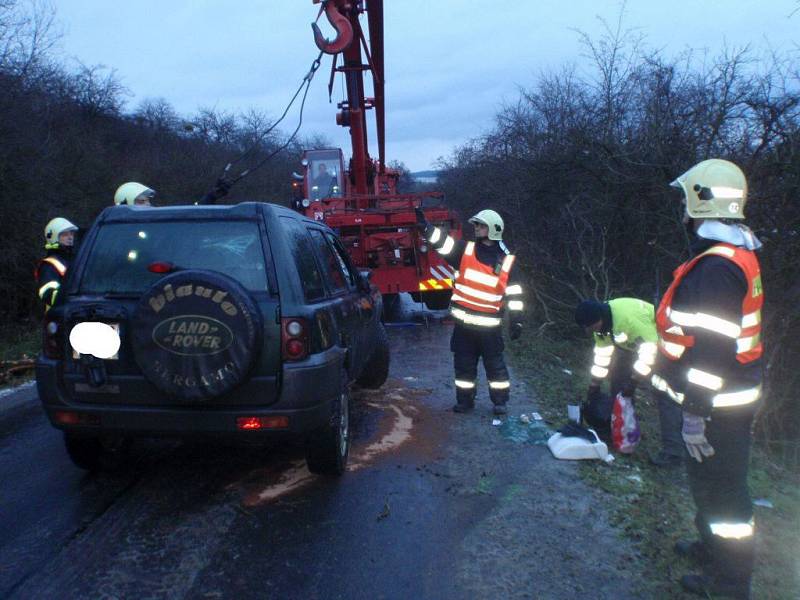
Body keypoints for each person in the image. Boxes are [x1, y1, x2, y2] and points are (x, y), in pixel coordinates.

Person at [652, 159, 763, 598]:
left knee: (725, 494)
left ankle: (731, 581)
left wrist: (696, 409)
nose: (681, 206)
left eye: (686, 198)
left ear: (701, 200)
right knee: (708, 483)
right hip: (724, 397)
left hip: (719, 403)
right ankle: (709, 547)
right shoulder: (731, 254)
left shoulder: (717, 267)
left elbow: (714, 352)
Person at [416, 206, 524, 415]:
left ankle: (500, 402)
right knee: (464, 367)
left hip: (490, 328)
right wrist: (427, 229)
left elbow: (515, 295)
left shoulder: (507, 261)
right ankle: (465, 402)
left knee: (496, 368)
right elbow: (443, 242)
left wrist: (516, 320)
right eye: (476, 225)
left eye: (481, 225)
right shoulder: (465, 250)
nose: (476, 228)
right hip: (464, 327)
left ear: (493, 229)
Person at [575, 298, 684, 466]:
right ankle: (623, 432)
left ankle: (673, 452)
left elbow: (649, 354)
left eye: (591, 327)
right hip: (632, 346)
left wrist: (633, 383)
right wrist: (594, 385)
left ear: (598, 319)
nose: (590, 332)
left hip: (663, 343)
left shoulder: (629, 321)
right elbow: (602, 357)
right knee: (618, 385)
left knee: (664, 392)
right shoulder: (601, 328)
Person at [36, 218, 78, 312]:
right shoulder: (49, 265)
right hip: (60, 318)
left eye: (71, 234)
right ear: (53, 237)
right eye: (65, 234)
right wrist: (73, 299)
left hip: (77, 313)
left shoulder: (76, 258)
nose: (70, 237)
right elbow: (48, 294)